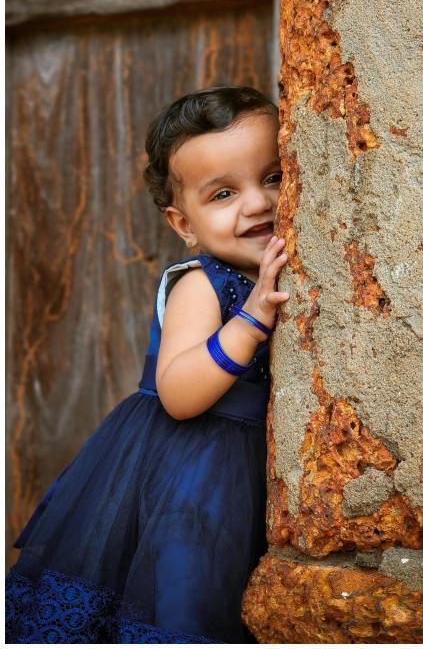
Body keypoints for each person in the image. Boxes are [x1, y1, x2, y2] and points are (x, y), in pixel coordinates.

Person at [6, 84, 290, 643]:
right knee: (183, 595)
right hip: (187, 474)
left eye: (274, 177)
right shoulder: (201, 285)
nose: (258, 203)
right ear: (183, 225)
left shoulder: (272, 271)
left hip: (243, 472)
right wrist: (250, 321)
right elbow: (179, 394)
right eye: (224, 193)